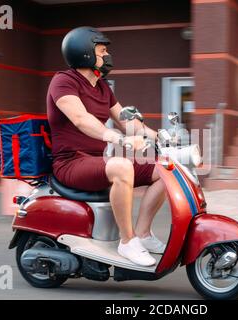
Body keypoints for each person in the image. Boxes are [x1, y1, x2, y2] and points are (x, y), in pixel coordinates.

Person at [46, 27, 166, 267]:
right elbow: (81, 118)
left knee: (165, 169)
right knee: (122, 167)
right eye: (102, 51)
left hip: (95, 160)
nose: (107, 56)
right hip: (70, 162)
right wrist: (117, 139)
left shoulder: (102, 87)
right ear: (85, 54)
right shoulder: (63, 81)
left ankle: (143, 234)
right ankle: (127, 241)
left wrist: (162, 138)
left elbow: (128, 123)